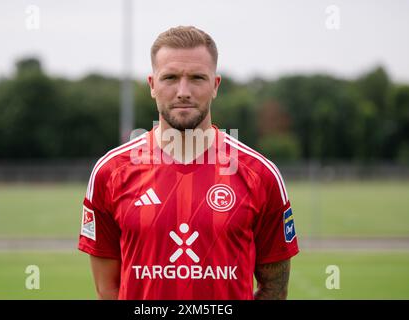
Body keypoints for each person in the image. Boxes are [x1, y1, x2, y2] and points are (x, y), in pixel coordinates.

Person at [78, 26, 299, 300]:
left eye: (197, 78)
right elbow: (107, 289)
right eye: (170, 77)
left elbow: (275, 289)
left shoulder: (261, 174)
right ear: (152, 85)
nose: (183, 91)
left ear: (215, 85)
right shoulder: (110, 172)